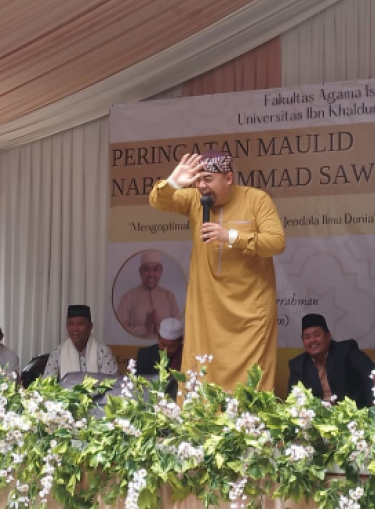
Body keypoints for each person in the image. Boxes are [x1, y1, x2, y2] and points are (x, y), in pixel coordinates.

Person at [149, 151, 285, 392]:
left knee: (250, 382)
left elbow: (276, 242)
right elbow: (158, 202)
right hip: (207, 309)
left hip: (250, 312)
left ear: (228, 178)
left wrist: (230, 236)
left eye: (208, 179)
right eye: (198, 180)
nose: (202, 186)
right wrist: (174, 182)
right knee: (201, 376)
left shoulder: (257, 200)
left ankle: (247, 429)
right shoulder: (193, 199)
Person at [287, 314, 375, 407]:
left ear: (328, 336)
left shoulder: (346, 351)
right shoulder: (298, 365)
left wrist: (373, 407)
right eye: (307, 337)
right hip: (317, 417)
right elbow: (293, 398)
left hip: (351, 414)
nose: (312, 340)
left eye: (316, 335)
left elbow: (370, 373)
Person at [116, 251, 180, 338]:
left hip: (164, 350)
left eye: (155, 269)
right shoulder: (128, 297)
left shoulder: (169, 297)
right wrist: (145, 329)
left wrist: (160, 327)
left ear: (161, 271)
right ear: (140, 272)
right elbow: (120, 329)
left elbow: (177, 329)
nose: (151, 274)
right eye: (146, 269)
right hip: (135, 348)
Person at [43, 305, 118, 379]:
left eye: (80, 324)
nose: (75, 328)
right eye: (71, 324)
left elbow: (111, 385)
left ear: (90, 326)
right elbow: (46, 385)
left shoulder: (104, 353)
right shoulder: (58, 353)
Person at [136, 317, 184, 397]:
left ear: (180, 342)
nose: (166, 350)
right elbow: (140, 384)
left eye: (171, 346)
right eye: (163, 344)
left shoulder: (185, 356)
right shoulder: (145, 355)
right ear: (158, 338)